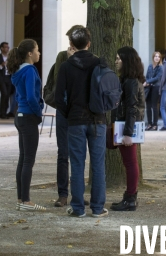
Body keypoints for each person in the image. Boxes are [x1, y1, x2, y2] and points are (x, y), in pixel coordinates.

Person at [55, 26, 107, 218]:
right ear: (89, 43)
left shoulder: (66, 66)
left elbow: (59, 97)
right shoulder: (99, 63)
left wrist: (69, 113)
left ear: (71, 44)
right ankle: (98, 208)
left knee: (77, 164)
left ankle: (78, 208)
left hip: (75, 120)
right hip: (97, 119)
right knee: (98, 165)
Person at [8, 39, 46, 212]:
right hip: (29, 117)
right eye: (37, 50)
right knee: (28, 160)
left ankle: (20, 199)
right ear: (30, 54)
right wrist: (39, 112)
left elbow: (21, 96)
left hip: (20, 116)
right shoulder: (30, 70)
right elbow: (31, 96)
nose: (39, 53)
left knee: (23, 159)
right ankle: (26, 201)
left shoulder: (19, 71)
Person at [111, 46, 145, 212]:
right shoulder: (129, 80)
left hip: (128, 127)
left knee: (130, 162)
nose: (116, 62)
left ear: (127, 61)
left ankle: (131, 198)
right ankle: (129, 197)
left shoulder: (131, 82)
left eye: (119, 59)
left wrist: (127, 134)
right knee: (129, 162)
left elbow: (132, 107)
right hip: (126, 126)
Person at [52, 25, 83, 208]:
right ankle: (62, 194)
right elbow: (59, 83)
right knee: (63, 154)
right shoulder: (62, 57)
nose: (70, 42)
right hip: (63, 111)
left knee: (78, 154)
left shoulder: (88, 58)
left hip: (79, 112)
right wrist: (69, 61)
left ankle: (77, 193)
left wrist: (75, 61)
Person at [144, 51, 163, 130]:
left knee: (154, 106)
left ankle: (155, 124)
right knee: (148, 106)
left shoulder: (161, 67)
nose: (157, 58)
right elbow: (147, 76)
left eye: (158, 56)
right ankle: (149, 124)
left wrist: (148, 82)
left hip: (156, 87)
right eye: (155, 56)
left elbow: (157, 78)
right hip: (148, 88)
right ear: (153, 57)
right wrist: (147, 82)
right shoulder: (149, 66)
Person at [0, 41, 14, 119]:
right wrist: (2, 65)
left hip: (9, 78)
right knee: (4, 94)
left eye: (8, 47)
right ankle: (2, 113)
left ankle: (5, 113)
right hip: (1, 78)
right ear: (2, 48)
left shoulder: (10, 57)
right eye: (6, 47)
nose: (7, 49)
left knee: (7, 95)